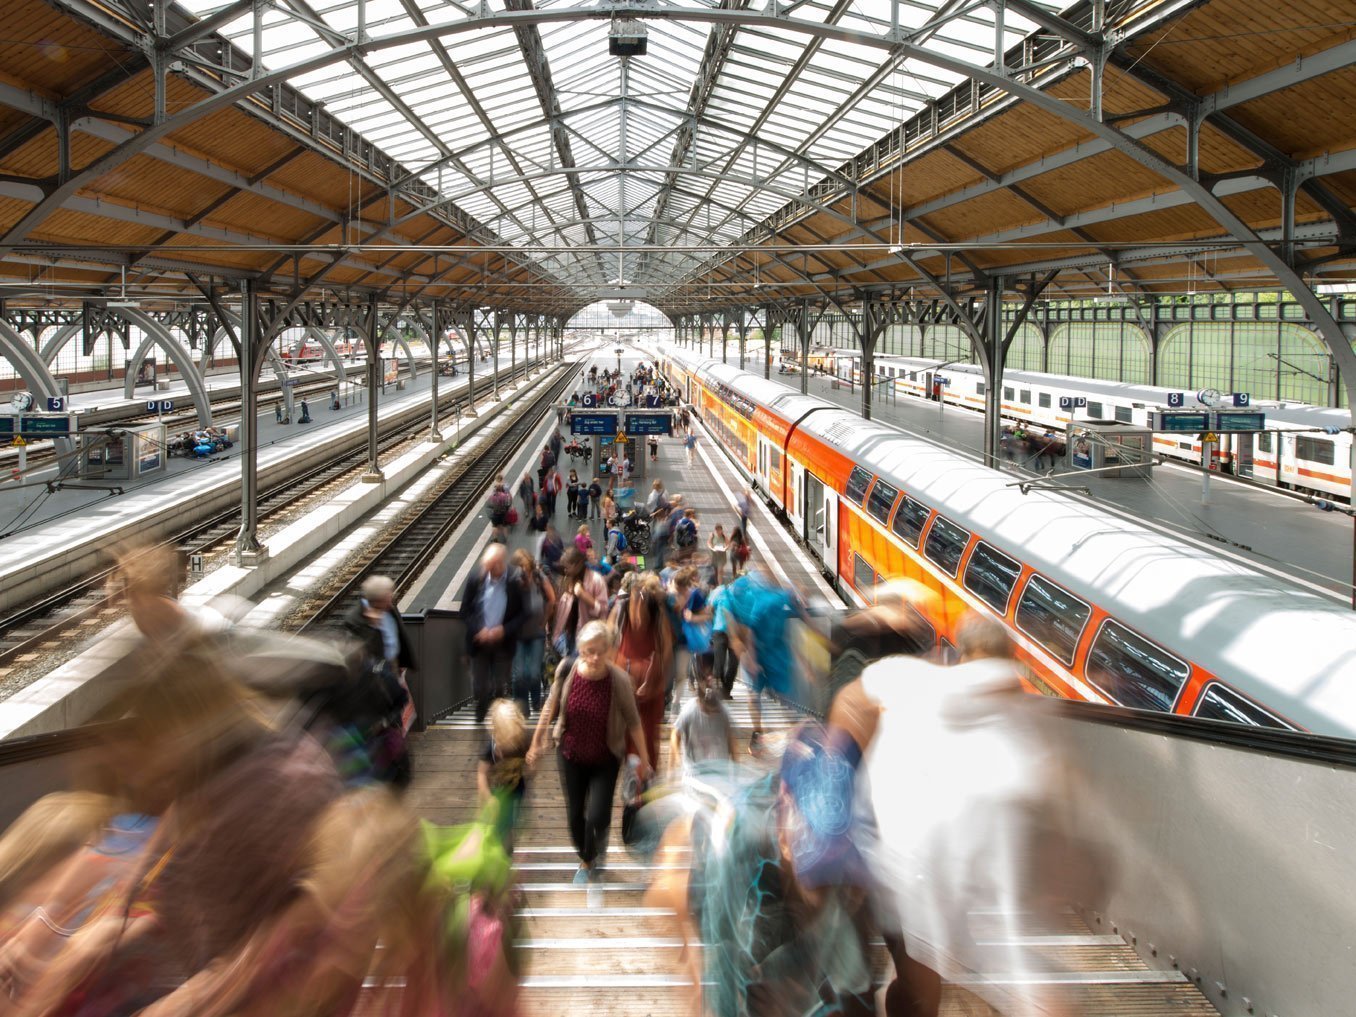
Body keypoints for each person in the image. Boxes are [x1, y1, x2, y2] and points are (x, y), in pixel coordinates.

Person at [527, 621, 652, 884]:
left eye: (601, 651)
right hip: (571, 754)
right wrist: (536, 741)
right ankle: (588, 854)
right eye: (589, 651)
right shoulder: (568, 671)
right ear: (581, 650)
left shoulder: (618, 679)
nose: (595, 657)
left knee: (598, 815)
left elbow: (633, 721)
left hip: (605, 757)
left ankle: (588, 860)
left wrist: (645, 761)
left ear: (609, 651)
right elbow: (550, 708)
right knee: (574, 817)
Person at [338, 574, 417, 786]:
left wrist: (402, 662)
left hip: (391, 669)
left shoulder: (388, 608)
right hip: (372, 681)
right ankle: (386, 766)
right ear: (376, 600)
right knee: (382, 722)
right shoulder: (355, 620)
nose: (391, 603)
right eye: (387, 599)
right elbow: (356, 657)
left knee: (396, 713)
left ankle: (395, 750)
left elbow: (398, 634)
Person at [725, 558, 804, 755]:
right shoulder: (768, 593)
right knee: (776, 695)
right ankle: (790, 735)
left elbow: (735, 626)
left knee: (756, 695)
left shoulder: (741, 592)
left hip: (762, 651)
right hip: (766, 651)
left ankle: (760, 735)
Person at [610, 574, 674, 771]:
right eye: (635, 599)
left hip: (650, 689)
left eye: (643, 602)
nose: (637, 611)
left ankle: (643, 780)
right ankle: (631, 779)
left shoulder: (658, 615)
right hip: (622, 684)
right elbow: (608, 642)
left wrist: (654, 680)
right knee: (623, 734)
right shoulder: (620, 610)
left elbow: (666, 651)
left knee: (646, 735)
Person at [460, 544, 525, 724]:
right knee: (480, 686)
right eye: (486, 566)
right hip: (479, 642)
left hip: (503, 643)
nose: (487, 571)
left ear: (500, 564)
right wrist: (478, 629)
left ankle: (498, 717)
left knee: (499, 684)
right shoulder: (476, 579)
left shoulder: (514, 580)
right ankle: (482, 707)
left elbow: (523, 613)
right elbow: (464, 610)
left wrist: (504, 630)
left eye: (492, 566)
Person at [478, 699, 530, 854]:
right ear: (495, 733)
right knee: (495, 823)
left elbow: (531, 769)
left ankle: (507, 843)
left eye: (512, 738)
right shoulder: (491, 748)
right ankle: (498, 847)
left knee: (511, 821)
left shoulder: (521, 743)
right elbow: (481, 772)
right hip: (496, 792)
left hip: (517, 790)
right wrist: (487, 796)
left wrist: (533, 762)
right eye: (504, 739)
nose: (508, 743)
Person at [510, 548, 555, 718]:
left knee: (534, 673)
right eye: (519, 566)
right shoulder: (512, 580)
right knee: (519, 674)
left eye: (524, 566)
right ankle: (520, 707)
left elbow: (551, 599)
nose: (522, 570)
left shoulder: (538, 577)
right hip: (517, 634)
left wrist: (544, 620)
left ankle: (536, 700)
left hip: (536, 633)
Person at [670, 670, 738, 776]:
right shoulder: (689, 711)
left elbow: (731, 739)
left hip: (719, 772)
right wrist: (675, 762)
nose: (713, 713)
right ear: (700, 703)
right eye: (709, 710)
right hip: (694, 771)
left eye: (715, 710)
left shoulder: (723, 712)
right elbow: (675, 734)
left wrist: (736, 769)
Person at [550, 548, 608, 661]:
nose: (565, 571)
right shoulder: (567, 578)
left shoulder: (596, 580)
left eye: (567, 567)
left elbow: (603, 610)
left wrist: (583, 595)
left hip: (586, 635)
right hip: (567, 634)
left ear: (577, 565)